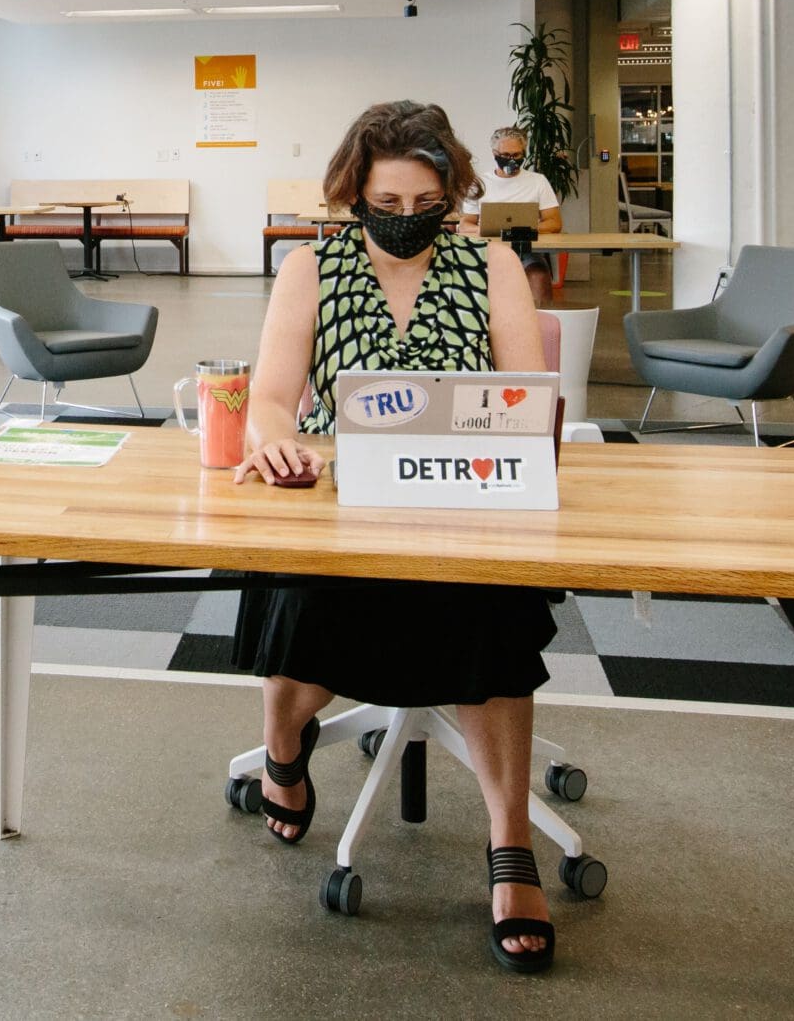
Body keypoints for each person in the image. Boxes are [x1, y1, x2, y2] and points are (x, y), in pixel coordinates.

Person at [231, 100, 560, 975]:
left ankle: (510, 845)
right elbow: (271, 397)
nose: (407, 218)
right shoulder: (311, 266)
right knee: (295, 590)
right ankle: (284, 750)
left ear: (452, 192)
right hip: (341, 503)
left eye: (426, 202)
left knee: (493, 617)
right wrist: (273, 439)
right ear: (354, 190)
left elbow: (527, 396)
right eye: (388, 200)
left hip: (466, 501)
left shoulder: (492, 263)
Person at [471, 125, 563, 303]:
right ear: (494, 153)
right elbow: (466, 224)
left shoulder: (537, 181)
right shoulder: (479, 183)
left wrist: (518, 230)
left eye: (516, 155)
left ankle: (539, 327)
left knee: (538, 275)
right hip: (487, 250)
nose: (511, 160)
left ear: (523, 153)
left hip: (525, 250)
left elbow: (554, 223)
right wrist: (492, 230)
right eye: (505, 155)